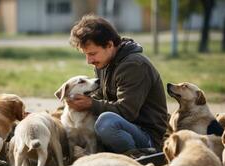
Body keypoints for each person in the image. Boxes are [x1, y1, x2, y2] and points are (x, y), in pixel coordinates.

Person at [67, 14, 167, 154]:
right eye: (86, 54)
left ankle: (139, 157)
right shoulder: (104, 63)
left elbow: (127, 112)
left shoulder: (134, 65)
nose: (89, 61)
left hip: (147, 136)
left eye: (92, 53)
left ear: (109, 45)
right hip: (124, 129)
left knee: (106, 123)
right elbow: (100, 96)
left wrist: (90, 104)